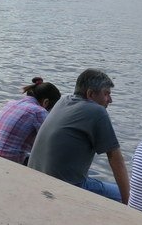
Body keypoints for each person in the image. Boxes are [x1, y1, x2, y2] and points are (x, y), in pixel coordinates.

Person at [27, 69, 129, 203]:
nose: (110, 100)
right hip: (66, 186)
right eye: (106, 94)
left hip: (35, 177)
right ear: (90, 94)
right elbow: (116, 160)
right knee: (128, 195)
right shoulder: (97, 111)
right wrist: (128, 201)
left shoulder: (63, 101)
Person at [0, 79, 62, 165]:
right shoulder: (39, 111)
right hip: (7, 161)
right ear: (46, 102)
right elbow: (50, 142)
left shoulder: (10, 103)